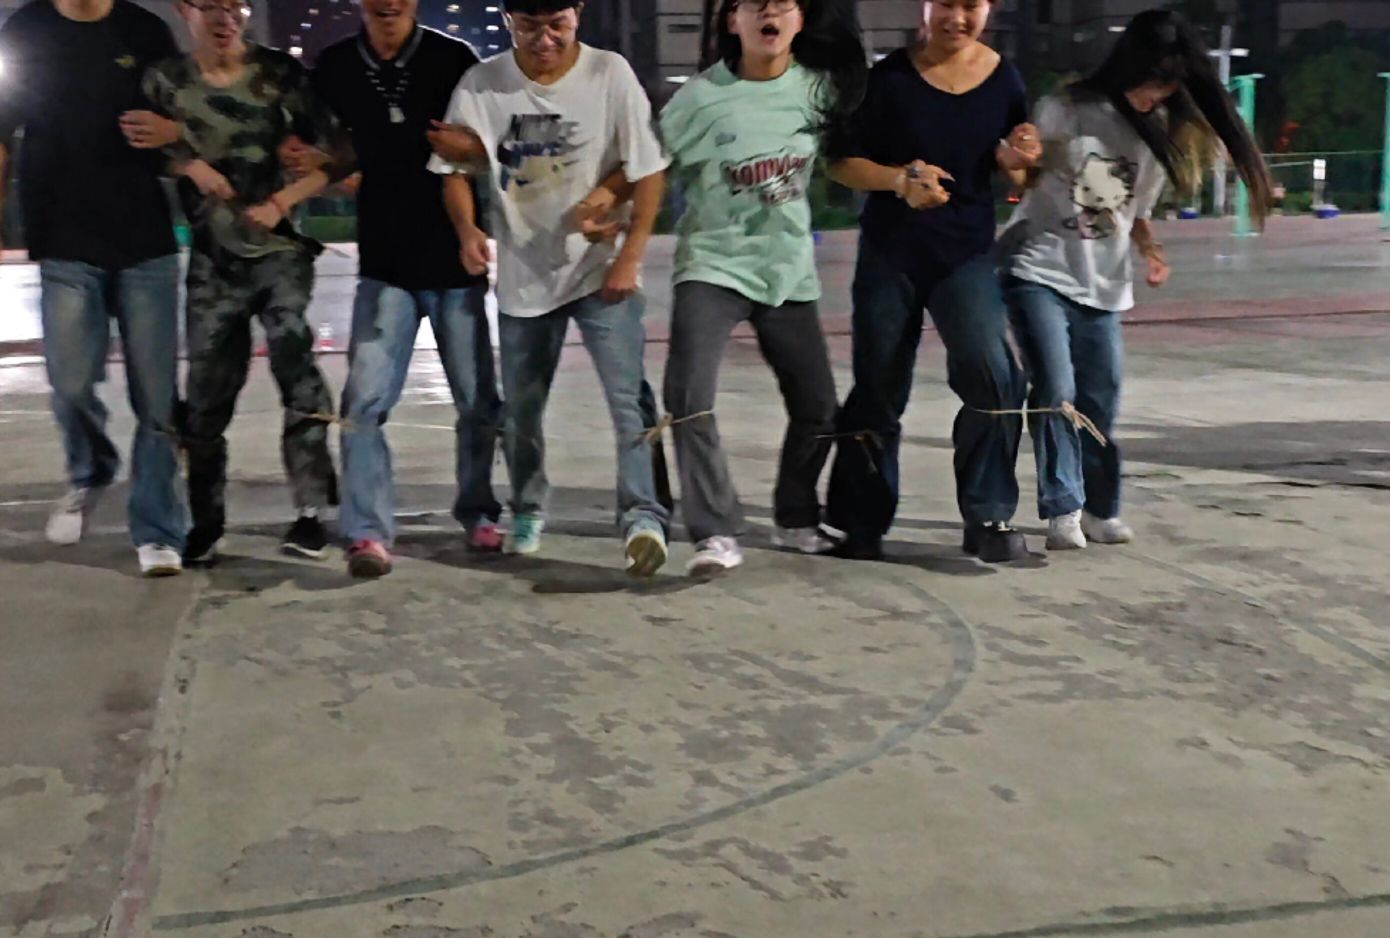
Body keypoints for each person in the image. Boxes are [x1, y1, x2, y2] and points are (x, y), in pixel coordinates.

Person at [999, 9, 1267, 551]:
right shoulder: (1067, 107)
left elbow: (1129, 211)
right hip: (1037, 265)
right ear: (1127, 67)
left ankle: (1100, 509)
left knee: (1100, 400)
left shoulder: (1155, 134)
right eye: (1149, 83)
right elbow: (1025, 175)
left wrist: (1152, 251)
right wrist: (1014, 159)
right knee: (1056, 388)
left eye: (1166, 88)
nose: (1153, 96)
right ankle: (1063, 507)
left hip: (1104, 281)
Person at [429, 0, 673, 576]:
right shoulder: (482, 84)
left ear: (578, 15)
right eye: (529, 27)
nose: (544, 39)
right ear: (508, 22)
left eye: (557, 25)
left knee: (628, 401)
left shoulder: (608, 73)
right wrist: (468, 231)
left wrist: (629, 257)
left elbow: (647, 167)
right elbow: (451, 170)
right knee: (522, 410)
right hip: (524, 274)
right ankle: (528, 507)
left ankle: (644, 516)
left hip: (599, 268)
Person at [822, 0, 1041, 563]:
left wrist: (1016, 160)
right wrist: (899, 180)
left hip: (965, 255)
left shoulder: (1005, 81)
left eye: (971, 5)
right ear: (925, 7)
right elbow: (841, 161)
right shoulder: (887, 79)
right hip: (890, 254)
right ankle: (860, 522)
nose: (957, 17)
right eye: (946, 3)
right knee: (877, 386)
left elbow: (1018, 175)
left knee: (995, 377)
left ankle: (988, 515)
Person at [652, 0, 864, 575]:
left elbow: (844, 160)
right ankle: (714, 531)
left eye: (783, 3)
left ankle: (795, 517)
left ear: (799, 20)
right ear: (732, 20)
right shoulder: (700, 98)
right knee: (688, 399)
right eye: (755, 4)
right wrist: (609, 205)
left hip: (787, 272)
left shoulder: (817, 92)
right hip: (713, 265)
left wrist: (901, 178)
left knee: (818, 408)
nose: (770, 12)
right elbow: (648, 167)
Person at [0, 0, 190, 578]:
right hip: (64, 240)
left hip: (145, 242)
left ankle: (158, 529)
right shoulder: (27, 29)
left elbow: (190, 113)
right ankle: (92, 470)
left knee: (156, 401)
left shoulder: (144, 30)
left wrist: (176, 131)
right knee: (70, 384)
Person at [311, 0, 506, 579]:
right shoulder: (336, 65)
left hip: (453, 263)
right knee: (363, 405)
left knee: (479, 404)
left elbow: (492, 143)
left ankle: (478, 510)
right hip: (385, 265)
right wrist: (323, 164)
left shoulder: (453, 60)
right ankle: (367, 532)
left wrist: (475, 156)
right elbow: (326, 146)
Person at [146, 0, 344, 567]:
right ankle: (205, 522)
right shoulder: (166, 80)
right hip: (213, 260)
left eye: (235, 5)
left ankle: (312, 512)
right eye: (209, 5)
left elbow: (338, 152)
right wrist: (188, 159)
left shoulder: (280, 73)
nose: (224, 17)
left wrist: (285, 198)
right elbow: (138, 146)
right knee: (207, 394)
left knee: (293, 355)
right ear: (186, 10)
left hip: (279, 251)